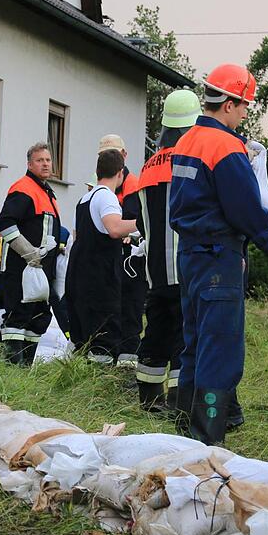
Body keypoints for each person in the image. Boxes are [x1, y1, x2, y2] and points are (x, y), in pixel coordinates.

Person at [171, 63, 268, 445]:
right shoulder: (226, 146)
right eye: (244, 107)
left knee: (195, 343)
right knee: (220, 347)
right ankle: (209, 438)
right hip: (218, 257)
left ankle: (183, 433)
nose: (244, 115)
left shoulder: (186, 140)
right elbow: (243, 206)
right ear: (229, 103)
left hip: (190, 256)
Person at [134, 89, 200, 415]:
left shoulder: (148, 166)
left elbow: (142, 223)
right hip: (184, 265)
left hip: (154, 269)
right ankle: (178, 402)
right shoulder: (188, 162)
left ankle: (149, 398)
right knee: (182, 336)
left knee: (156, 330)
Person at [65, 149, 139, 363]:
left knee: (83, 338)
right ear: (120, 173)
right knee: (103, 339)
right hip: (99, 280)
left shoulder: (84, 199)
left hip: (79, 276)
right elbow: (114, 228)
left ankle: (80, 384)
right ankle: (100, 386)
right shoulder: (107, 196)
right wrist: (143, 224)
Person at [0, 142, 63, 365]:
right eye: (39, 160)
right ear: (29, 164)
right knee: (18, 317)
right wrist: (28, 253)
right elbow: (4, 224)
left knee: (38, 318)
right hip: (22, 269)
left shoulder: (46, 192)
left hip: (40, 271)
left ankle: (25, 370)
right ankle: (12, 371)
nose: (45, 164)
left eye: (47, 160)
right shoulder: (24, 188)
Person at [99, 134, 146, 367]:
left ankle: (127, 367)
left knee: (129, 310)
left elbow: (134, 220)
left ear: (124, 156)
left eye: (116, 154)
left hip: (131, 261)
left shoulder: (133, 185)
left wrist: (127, 232)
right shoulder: (102, 187)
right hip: (110, 259)